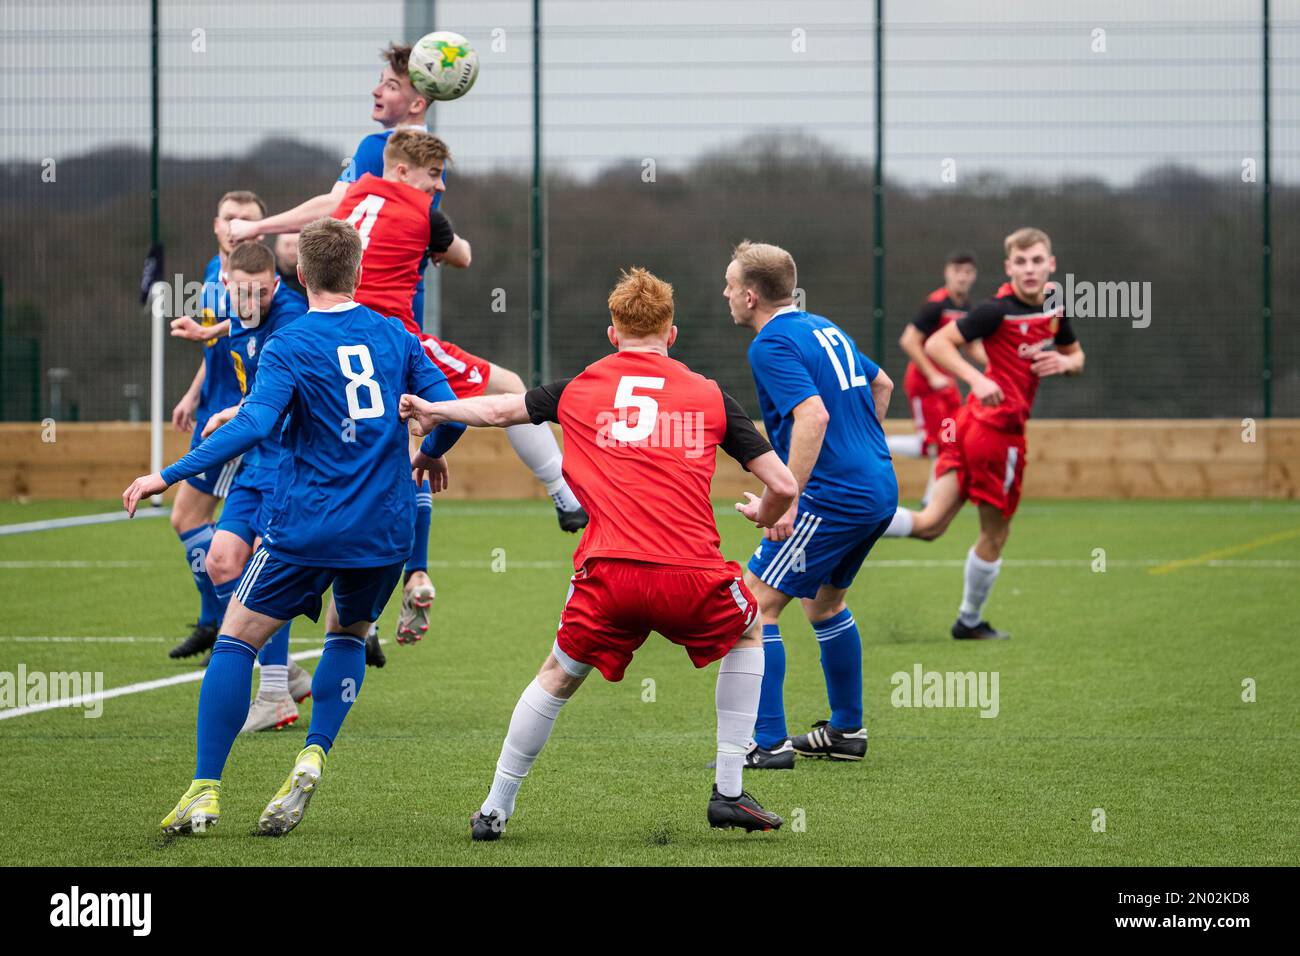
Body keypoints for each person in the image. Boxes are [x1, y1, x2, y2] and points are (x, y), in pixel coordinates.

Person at [400, 267, 799, 840]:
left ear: (612, 334)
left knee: (557, 677)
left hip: (608, 574)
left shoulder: (577, 388)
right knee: (749, 629)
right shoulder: (710, 394)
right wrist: (765, 513)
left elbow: (495, 410)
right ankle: (730, 792)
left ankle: (494, 809)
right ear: (673, 333)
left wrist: (434, 411)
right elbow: (782, 484)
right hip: (691, 574)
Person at [125, 218, 465, 836]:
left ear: (299, 276)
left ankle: (204, 792)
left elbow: (253, 427)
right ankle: (313, 753)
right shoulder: (395, 334)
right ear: (359, 273)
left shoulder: (291, 343)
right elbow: (450, 408)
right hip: (384, 534)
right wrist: (433, 448)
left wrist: (167, 475)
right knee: (347, 635)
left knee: (235, 640)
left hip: (307, 527)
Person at [724, 241, 898, 769]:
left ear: (751, 296)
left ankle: (768, 743)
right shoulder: (825, 327)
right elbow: (882, 382)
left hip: (833, 496)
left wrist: (788, 498)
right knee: (823, 605)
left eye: (731, 285)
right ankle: (846, 731)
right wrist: (858, 455)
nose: (726, 294)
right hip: (877, 486)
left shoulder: (770, 345)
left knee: (753, 604)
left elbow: (814, 417)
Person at [881, 228, 1085, 641]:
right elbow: (937, 344)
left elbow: (1076, 355)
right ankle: (969, 620)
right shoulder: (995, 310)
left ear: (1051, 264)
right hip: (995, 433)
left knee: (931, 524)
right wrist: (976, 379)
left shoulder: (1053, 306)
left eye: (1037, 260)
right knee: (995, 533)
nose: (1030, 269)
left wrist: (1066, 364)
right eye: (1021, 262)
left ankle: (842, 516)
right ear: (1009, 267)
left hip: (968, 427)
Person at [198, 241, 312, 731]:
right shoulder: (236, 307)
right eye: (242, 294)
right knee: (220, 561)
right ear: (228, 285)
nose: (252, 304)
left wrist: (232, 415)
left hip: (286, 458)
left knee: (268, 568)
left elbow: (277, 403)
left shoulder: (289, 317)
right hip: (255, 459)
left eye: (261, 294)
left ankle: (272, 694)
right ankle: (280, 668)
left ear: (276, 284)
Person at [165, 191, 265, 660]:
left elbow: (249, 344)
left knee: (203, 524)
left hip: (240, 416)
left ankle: (230, 625)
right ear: (215, 223)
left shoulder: (261, 283)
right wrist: (191, 394)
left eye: (247, 220)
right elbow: (219, 349)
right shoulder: (211, 273)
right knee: (188, 520)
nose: (237, 226)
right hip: (211, 409)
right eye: (230, 218)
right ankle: (215, 620)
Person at [886, 251, 985, 505]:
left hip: (948, 386)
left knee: (950, 440)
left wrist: (998, 366)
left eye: (968, 272)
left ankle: (933, 500)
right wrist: (931, 375)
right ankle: (876, 444)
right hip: (924, 385)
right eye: (957, 271)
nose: (962, 277)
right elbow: (909, 341)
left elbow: (973, 347)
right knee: (930, 445)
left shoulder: (967, 308)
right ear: (947, 273)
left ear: (973, 276)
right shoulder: (936, 305)